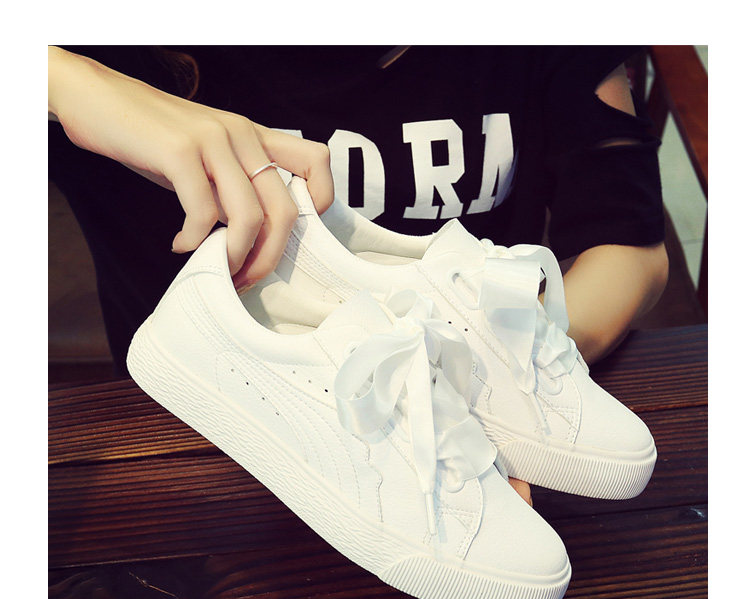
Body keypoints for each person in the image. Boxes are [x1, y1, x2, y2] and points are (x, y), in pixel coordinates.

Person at [48, 45, 669, 505]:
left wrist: (478, 389)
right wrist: (67, 80)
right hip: (185, 448)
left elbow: (628, 244)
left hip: (440, 442)